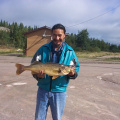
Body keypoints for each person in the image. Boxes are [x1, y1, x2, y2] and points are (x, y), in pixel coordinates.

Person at [31, 23, 80, 120]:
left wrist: (73, 73)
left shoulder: (70, 52)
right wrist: (38, 76)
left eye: (59, 35)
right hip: (43, 90)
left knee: (57, 118)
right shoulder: (43, 49)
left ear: (64, 35)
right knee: (39, 118)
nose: (57, 38)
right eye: (54, 35)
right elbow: (34, 65)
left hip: (59, 92)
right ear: (51, 35)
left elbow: (76, 67)